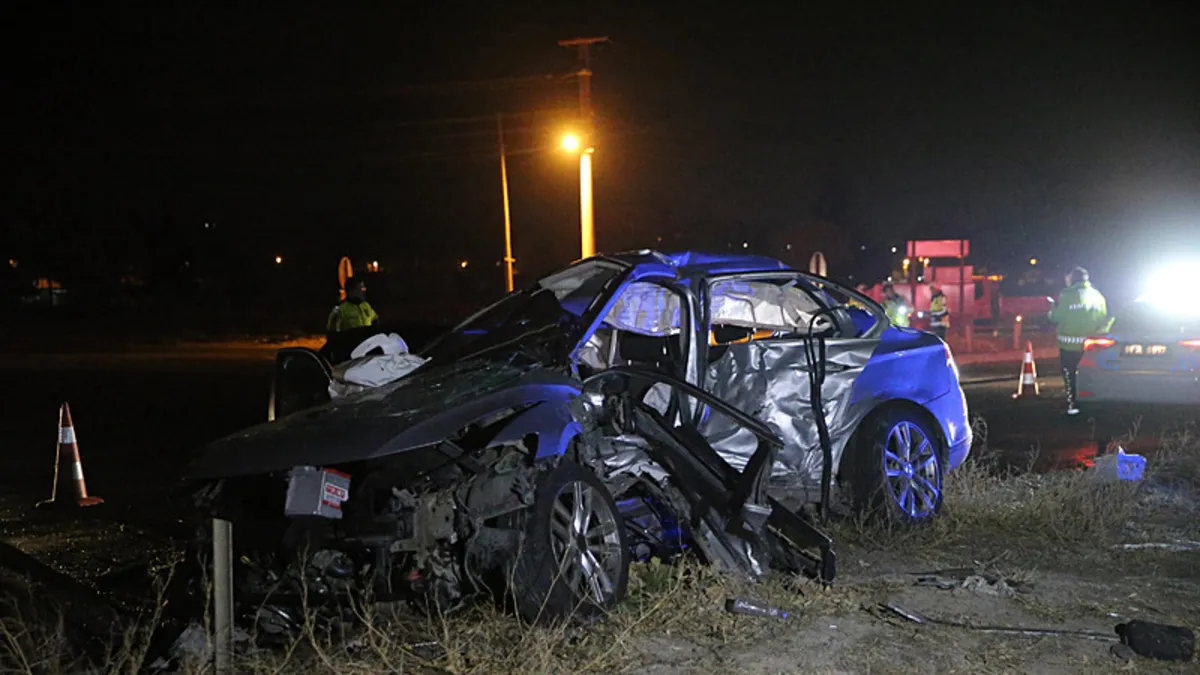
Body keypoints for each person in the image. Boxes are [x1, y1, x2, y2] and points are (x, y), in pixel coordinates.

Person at [1048, 266, 1112, 415]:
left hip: (1069, 345)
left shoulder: (1066, 295)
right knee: (1089, 375)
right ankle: (1092, 404)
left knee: (1070, 375)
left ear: (1071, 279)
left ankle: (1073, 406)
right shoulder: (1098, 296)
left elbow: (1056, 317)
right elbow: (1105, 318)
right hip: (1091, 346)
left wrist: (1052, 307)